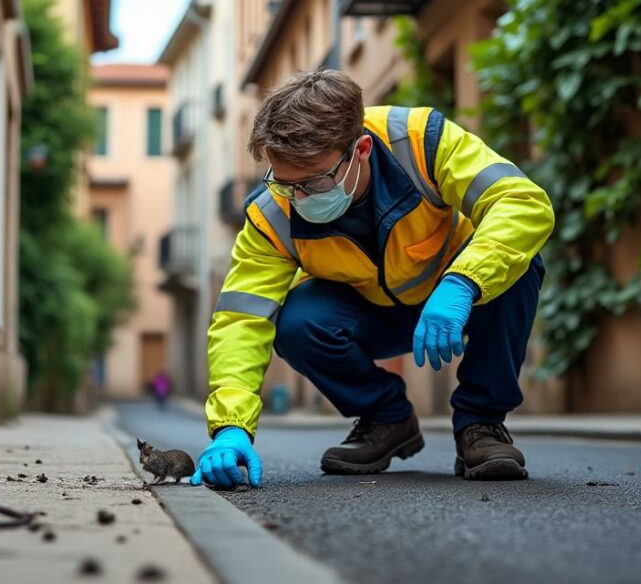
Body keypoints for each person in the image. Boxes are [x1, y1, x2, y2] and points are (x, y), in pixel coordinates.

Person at [189, 70, 553, 489]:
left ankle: (482, 426)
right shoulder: (271, 214)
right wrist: (231, 426)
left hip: (457, 298)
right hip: (369, 315)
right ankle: (387, 418)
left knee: (522, 265)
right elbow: (241, 318)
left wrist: (463, 282)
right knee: (295, 322)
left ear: (361, 149)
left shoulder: (421, 141)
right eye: (286, 185)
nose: (299, 198)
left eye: (314, 181)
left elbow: (521, 202)